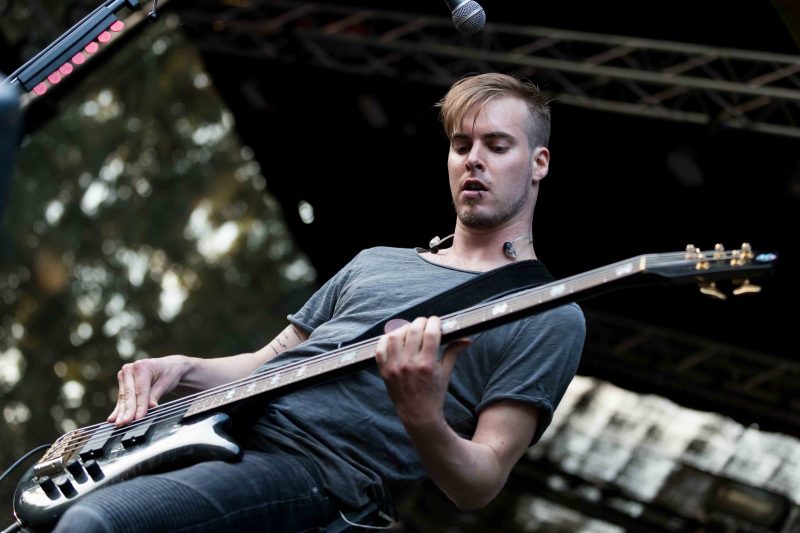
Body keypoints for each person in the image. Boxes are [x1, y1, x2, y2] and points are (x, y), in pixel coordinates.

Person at [54, 72, 586, 532]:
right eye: (461, 145)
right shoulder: (375, 261)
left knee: (93, 525)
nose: (474, 161)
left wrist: (423, 417)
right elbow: (267, 364)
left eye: (497, 146)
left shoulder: (550, 314)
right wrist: (182, 369)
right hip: (221, 433)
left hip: (313, 472)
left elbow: (481, 483)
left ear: (538, 162)